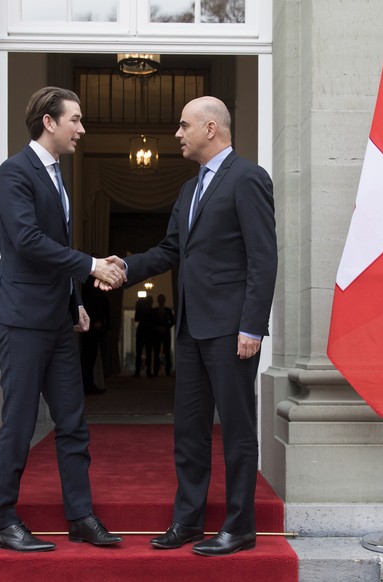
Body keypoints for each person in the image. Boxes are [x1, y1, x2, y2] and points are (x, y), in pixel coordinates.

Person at [111, 96, 277, 557]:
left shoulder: (248, 178)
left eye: (183, 126)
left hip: (231, 331)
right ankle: (187, 520)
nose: (177, 135)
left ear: (210, 128)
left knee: (239, 430)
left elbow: (264, 258)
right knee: (188, 430)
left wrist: (252, 326)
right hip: (190, 330)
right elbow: (168, 251)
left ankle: (240, 526)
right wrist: (122, 267)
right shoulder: (188, 191)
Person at [0, 86, 125, 552]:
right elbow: (27, 241)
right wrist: (89, 267)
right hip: (20, 319)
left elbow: (52, 249)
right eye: (76, 120)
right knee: (21, 423)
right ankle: (2, 520)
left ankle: (80, 516)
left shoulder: (57, 175)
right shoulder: (13, 173)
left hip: (57, 320)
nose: (82, 129)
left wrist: (76, 303)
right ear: (49, 121)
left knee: (72, 422)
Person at [80, 277, 110, 394]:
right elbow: (90, 303)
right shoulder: (89, 284)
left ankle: (89, 383)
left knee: (91, 357)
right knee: (88, 357)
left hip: (97, 327)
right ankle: (87, 384)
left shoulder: (96, 283)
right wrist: (94, 321)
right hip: (91, 327)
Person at [133, 295, 157, 376]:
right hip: (145, 334)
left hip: (146, 334)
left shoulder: (151, 311)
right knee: (143, 353)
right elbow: (136, 318)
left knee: (145, 353)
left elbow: (137, 319)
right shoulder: (147, 311)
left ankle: (142, 371)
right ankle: (143, 371)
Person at [154, 294, 175, 375]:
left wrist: (166, 327)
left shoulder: (168, 310)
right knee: (156, 352)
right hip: (157, 334)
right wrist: (157, 328)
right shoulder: (155, 310)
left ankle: (168, 370)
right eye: (159, 299)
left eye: (162, 299)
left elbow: (172, 321)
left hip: (166, 333)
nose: (160, 301)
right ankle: (156, 370)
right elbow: (152, 322)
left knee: (167, 352)